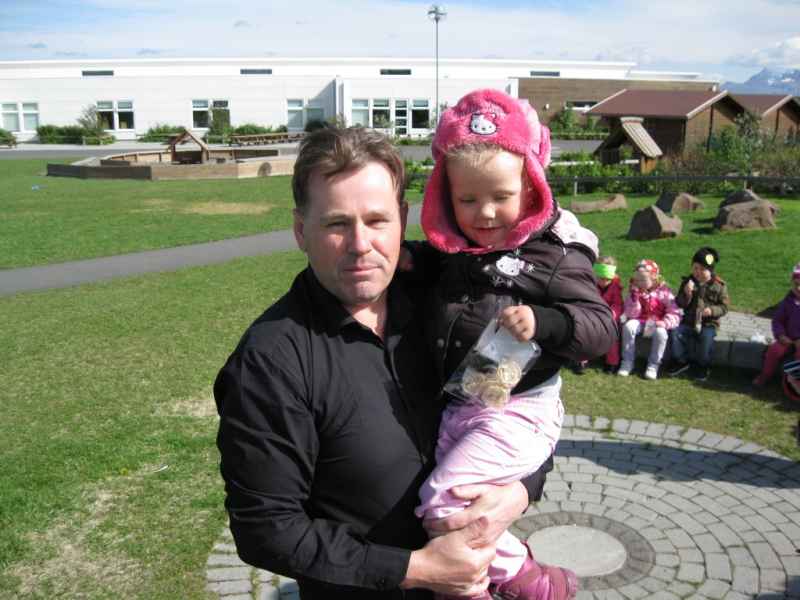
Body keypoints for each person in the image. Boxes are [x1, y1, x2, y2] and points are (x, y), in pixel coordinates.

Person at [214, 125, 553, 600]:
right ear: (300, 231)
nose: (360, 244)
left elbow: (512, 410)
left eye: (377, 221)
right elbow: (265, 528)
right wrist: (416, 569)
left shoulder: (456, 306)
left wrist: (520, 491)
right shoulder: (268, 363)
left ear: (403, 219)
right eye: (336, 224)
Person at [411, 88, 616, 600]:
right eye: (466, 200)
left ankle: (486, 588)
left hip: (519, 411)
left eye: (500, 197)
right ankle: (533, 581)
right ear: (446, 196)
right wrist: (410, 259)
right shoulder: (455, 250)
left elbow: (601, 327)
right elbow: (450, 280)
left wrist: (546, 322)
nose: (484, 213)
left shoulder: (555, 254)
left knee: (442, 504)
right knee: (460, 508)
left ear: (531, 187)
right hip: (467, 403)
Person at [667, 247, 730, 382]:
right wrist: (686, 294)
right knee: (676, 332)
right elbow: (679, 303)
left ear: (710, 270)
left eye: (703, 269)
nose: (698, 272)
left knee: (706, 339)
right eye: (695, 268)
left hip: (708, 323)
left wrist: (712, 310)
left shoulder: (719, 285)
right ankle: (681, 361)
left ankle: (703, 365)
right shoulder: (687, 282)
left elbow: (724, 307)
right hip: (689, 321)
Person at [617, 259, 681, 380]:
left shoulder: (664, 292)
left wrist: (665, 322)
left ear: (654, 278)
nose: (639, 283)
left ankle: (653, 365)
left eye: (643, 280)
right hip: (640, 321)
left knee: (661, 333)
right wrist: (635, 300)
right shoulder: (634, 291)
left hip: (655, 323)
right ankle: (627, 361)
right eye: (637, 279)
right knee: (628, 327)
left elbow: (674, 312)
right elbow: (631, 314)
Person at [753, 262, 800, 387]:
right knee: (774, 350)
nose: (799, 288)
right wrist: (781, 335)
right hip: (787, 339)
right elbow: (778, 320)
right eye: (796, 284)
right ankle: (765, 376)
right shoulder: (788, 300)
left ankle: (793, 383)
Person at [593, 255, 624, 374]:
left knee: (612, 334)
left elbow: (618, 304)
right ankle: (581, 360)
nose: (604, 282)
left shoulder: (615, 287)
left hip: (609, 317)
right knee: (584, 331)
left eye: (607, 279)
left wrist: (612, 314)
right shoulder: (591, 285)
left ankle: (612, 362)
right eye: (601, 278)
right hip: (593, 313)